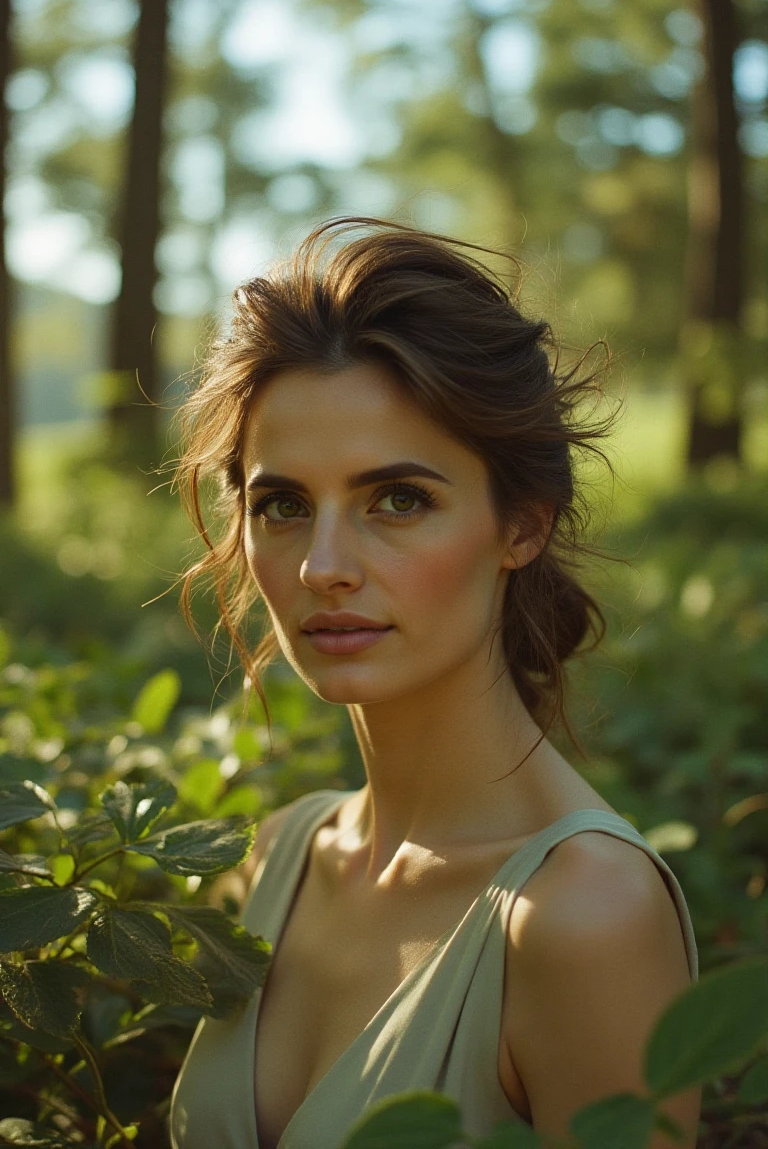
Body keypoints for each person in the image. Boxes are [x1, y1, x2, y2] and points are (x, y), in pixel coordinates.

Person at [168, 218, 700, 1149]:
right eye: (282, 505)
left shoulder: (585, 918)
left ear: (521, 527)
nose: (323, 566)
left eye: (399, 500)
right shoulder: (275, 858)